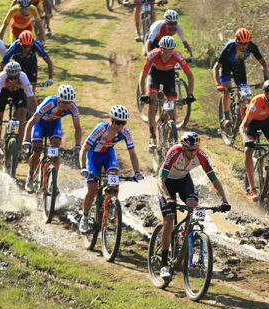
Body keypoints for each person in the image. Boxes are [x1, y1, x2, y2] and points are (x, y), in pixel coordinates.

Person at [156, 132, 230, 280]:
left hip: (184, 181)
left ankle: (185, 238)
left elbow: (214, 180)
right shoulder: (175, 152)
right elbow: (160, 180)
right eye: (190, 150)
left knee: (193, 207)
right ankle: (164, 264)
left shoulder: (201, 155)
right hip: (167, 183)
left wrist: (224, 201)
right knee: (169, 218)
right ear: (183, 148)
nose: (193, 152)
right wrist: (168, 198)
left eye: (196, 148)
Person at [78, 105, 144, 234]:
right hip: (93, 157)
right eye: (118, 122)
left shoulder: (126, 132)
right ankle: (84, 217)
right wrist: (83, 167)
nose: (120, 126)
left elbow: (132, 154)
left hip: (108, 155)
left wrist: (137, 173)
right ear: (111, 120)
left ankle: (112, 203)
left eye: (123, 123)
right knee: (92, 190)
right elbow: (84, 148)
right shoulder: (100, 129)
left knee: (114, 180)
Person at [22, 84, 83, 192]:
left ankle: (52, 182)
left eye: (69, 102)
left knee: (55, 149)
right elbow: (31, 122)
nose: (66, 105)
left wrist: (78, 145)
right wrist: (26, 140)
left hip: (54, 125)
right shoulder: (49, 103)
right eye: (64, 102)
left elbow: (77, 128)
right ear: (59, 98)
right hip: (40, 124)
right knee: (37, 151)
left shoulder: (73, 107)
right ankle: (30, 177)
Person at [137, 36, 195, 149]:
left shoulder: (177, 55)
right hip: (155, 75)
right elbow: (143, 75)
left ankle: (170, 136)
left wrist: (190, 94)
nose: (167, 54)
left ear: (173, 50)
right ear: (160, 49)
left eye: (170, 51)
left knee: (171, 108)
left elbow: (189, 75)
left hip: (169, 77)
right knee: (152, 102)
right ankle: (152, 136)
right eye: (165, 51)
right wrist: (143, 93)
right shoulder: (153, 55)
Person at [213, 27, 269, 125]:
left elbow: (263, 64)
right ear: (236, 41)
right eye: (241, 44)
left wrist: (266, 80)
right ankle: (226, 117)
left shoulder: (251, 46)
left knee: (245, 93)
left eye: (246, 43)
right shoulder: (229, 47)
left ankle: (243, 118)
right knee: (227, 89)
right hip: (226, 66)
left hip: (239, 66)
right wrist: (218, 84)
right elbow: (216, 68)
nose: (243, 46)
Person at [0, 61, 37, 163]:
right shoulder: (2, 77)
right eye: (10, 77)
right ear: (6, 74)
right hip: (3, 93)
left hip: (18, 93)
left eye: (15, 77)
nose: (13, 80)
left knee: (23, 117)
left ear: (19, 74)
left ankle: (20, 148)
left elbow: (32, 98)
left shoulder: (23, 77)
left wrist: (36, 114)